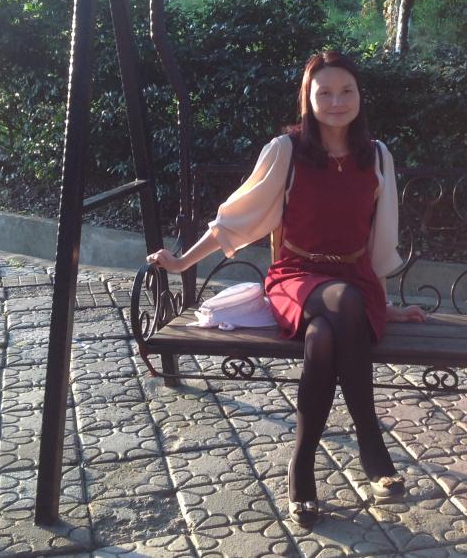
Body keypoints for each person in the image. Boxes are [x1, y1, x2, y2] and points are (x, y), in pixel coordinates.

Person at [146, 50, 426, 527]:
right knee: (342, 303)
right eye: (325, 93)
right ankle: (371, 446)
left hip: (355, 281)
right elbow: (237, 218)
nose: (336, 101)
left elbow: (380, 238)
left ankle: (302, 466)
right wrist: (182, 262)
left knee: (325, 334)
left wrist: (387, 305)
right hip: (296, 278)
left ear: (360, 96)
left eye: (347, 91)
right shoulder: (287, 150)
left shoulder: (376, 155)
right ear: (308, 98)